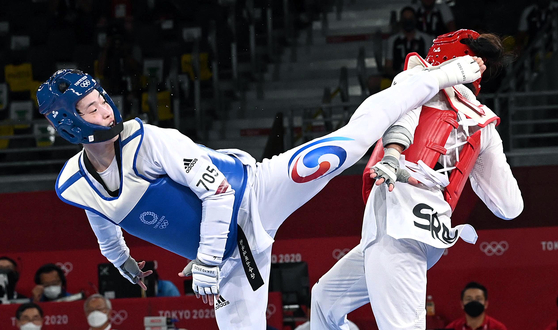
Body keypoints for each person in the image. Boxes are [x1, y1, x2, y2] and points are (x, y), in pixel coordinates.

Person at [36, 56, 482, 329]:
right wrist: (124, 264)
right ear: (69, 122)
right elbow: (104, 224)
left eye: (100, 97)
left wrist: (206, 263)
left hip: (255, 192)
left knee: (347, 145)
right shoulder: (75, 185)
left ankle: (429, 78)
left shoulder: (151, 141)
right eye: (88, 106)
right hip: (232, 258)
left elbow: (220, 195)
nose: (103, 107)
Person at [310, 29, 523, 330]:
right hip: (428, 234)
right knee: (325, 299)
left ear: (441, 56)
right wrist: (470, 165)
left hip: (399, 228)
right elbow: (510, 207)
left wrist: (394, 154)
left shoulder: (417, 79)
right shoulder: (484, 123)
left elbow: (401, 117)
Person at [369, 6, 433, 94]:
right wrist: (400, 76)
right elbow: (388, 66)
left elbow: (430, 63)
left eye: (410, 18)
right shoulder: (393, 40)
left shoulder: (426, 39)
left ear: (415, 20)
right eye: (405, 19)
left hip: (420, 78)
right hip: (397, 78)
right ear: (401, 21)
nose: (408, 21)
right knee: (373, 81)